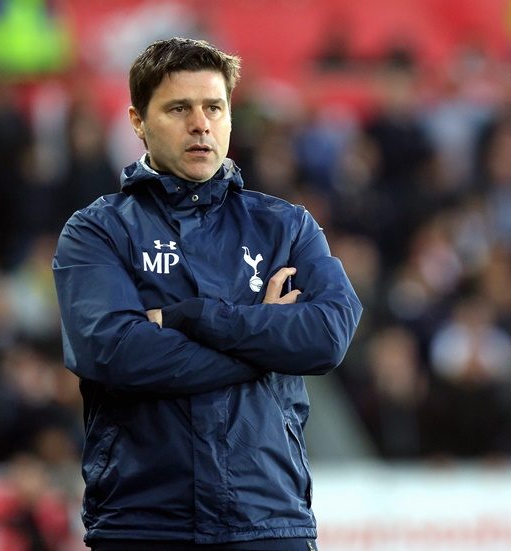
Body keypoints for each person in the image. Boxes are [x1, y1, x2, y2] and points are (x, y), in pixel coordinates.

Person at [52, 37, 362, 550]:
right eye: (179, 108)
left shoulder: (286, 226)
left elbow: (328, 337)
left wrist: (191, 317)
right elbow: (116, 352)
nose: (201, 124)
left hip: (268, 518)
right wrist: (264, 344)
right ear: (137, 121)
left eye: (214, 108)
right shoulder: (97, 231)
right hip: (142, 521)